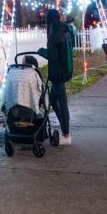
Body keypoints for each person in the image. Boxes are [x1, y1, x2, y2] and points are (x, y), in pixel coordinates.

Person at [37, 8, 75, 145]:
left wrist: (41, 51)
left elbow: (52, 56)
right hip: (64, 71)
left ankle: (66, 134)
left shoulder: (54, 34)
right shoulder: (65, 30)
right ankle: (64, 128)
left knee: (62, 103)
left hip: (57, 74)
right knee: (53, 100)